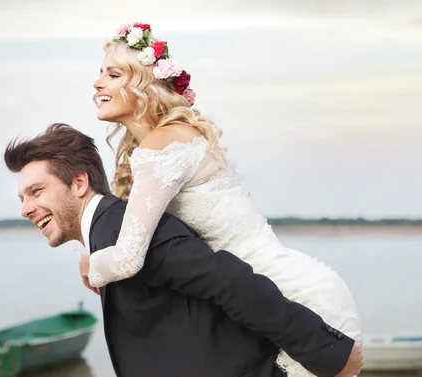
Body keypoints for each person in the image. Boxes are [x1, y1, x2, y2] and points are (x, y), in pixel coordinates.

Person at [82, 22, 363, 377]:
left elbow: (127, 260)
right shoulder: (174, 138)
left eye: (113, 73)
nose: (97, 82)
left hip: (289, 305)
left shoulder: (160, 147)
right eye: (100, 73)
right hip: (282, 290)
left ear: (144, 86)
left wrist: (90, 265)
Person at [4, 123, 363, 377]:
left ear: (79, 182)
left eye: (37, 191)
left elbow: (226, 279)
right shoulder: (107, 236)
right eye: (22, 198)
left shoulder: (118, 226)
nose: (25, 209)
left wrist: (328, 353)